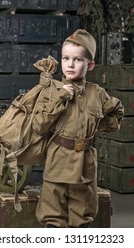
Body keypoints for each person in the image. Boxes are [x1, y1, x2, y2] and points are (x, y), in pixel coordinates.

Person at [32, 29, 124, 228]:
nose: (70, 64)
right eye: (66, 58)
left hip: (85, 166)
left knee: (82, 219)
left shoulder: (96, 93)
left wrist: (98, 126)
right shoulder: (51, 91)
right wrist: (61, 97)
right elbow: (39, 124)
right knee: (52, 219)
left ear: (90, 65)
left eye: (78, 59)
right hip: (57, 162)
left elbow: (116, 110)